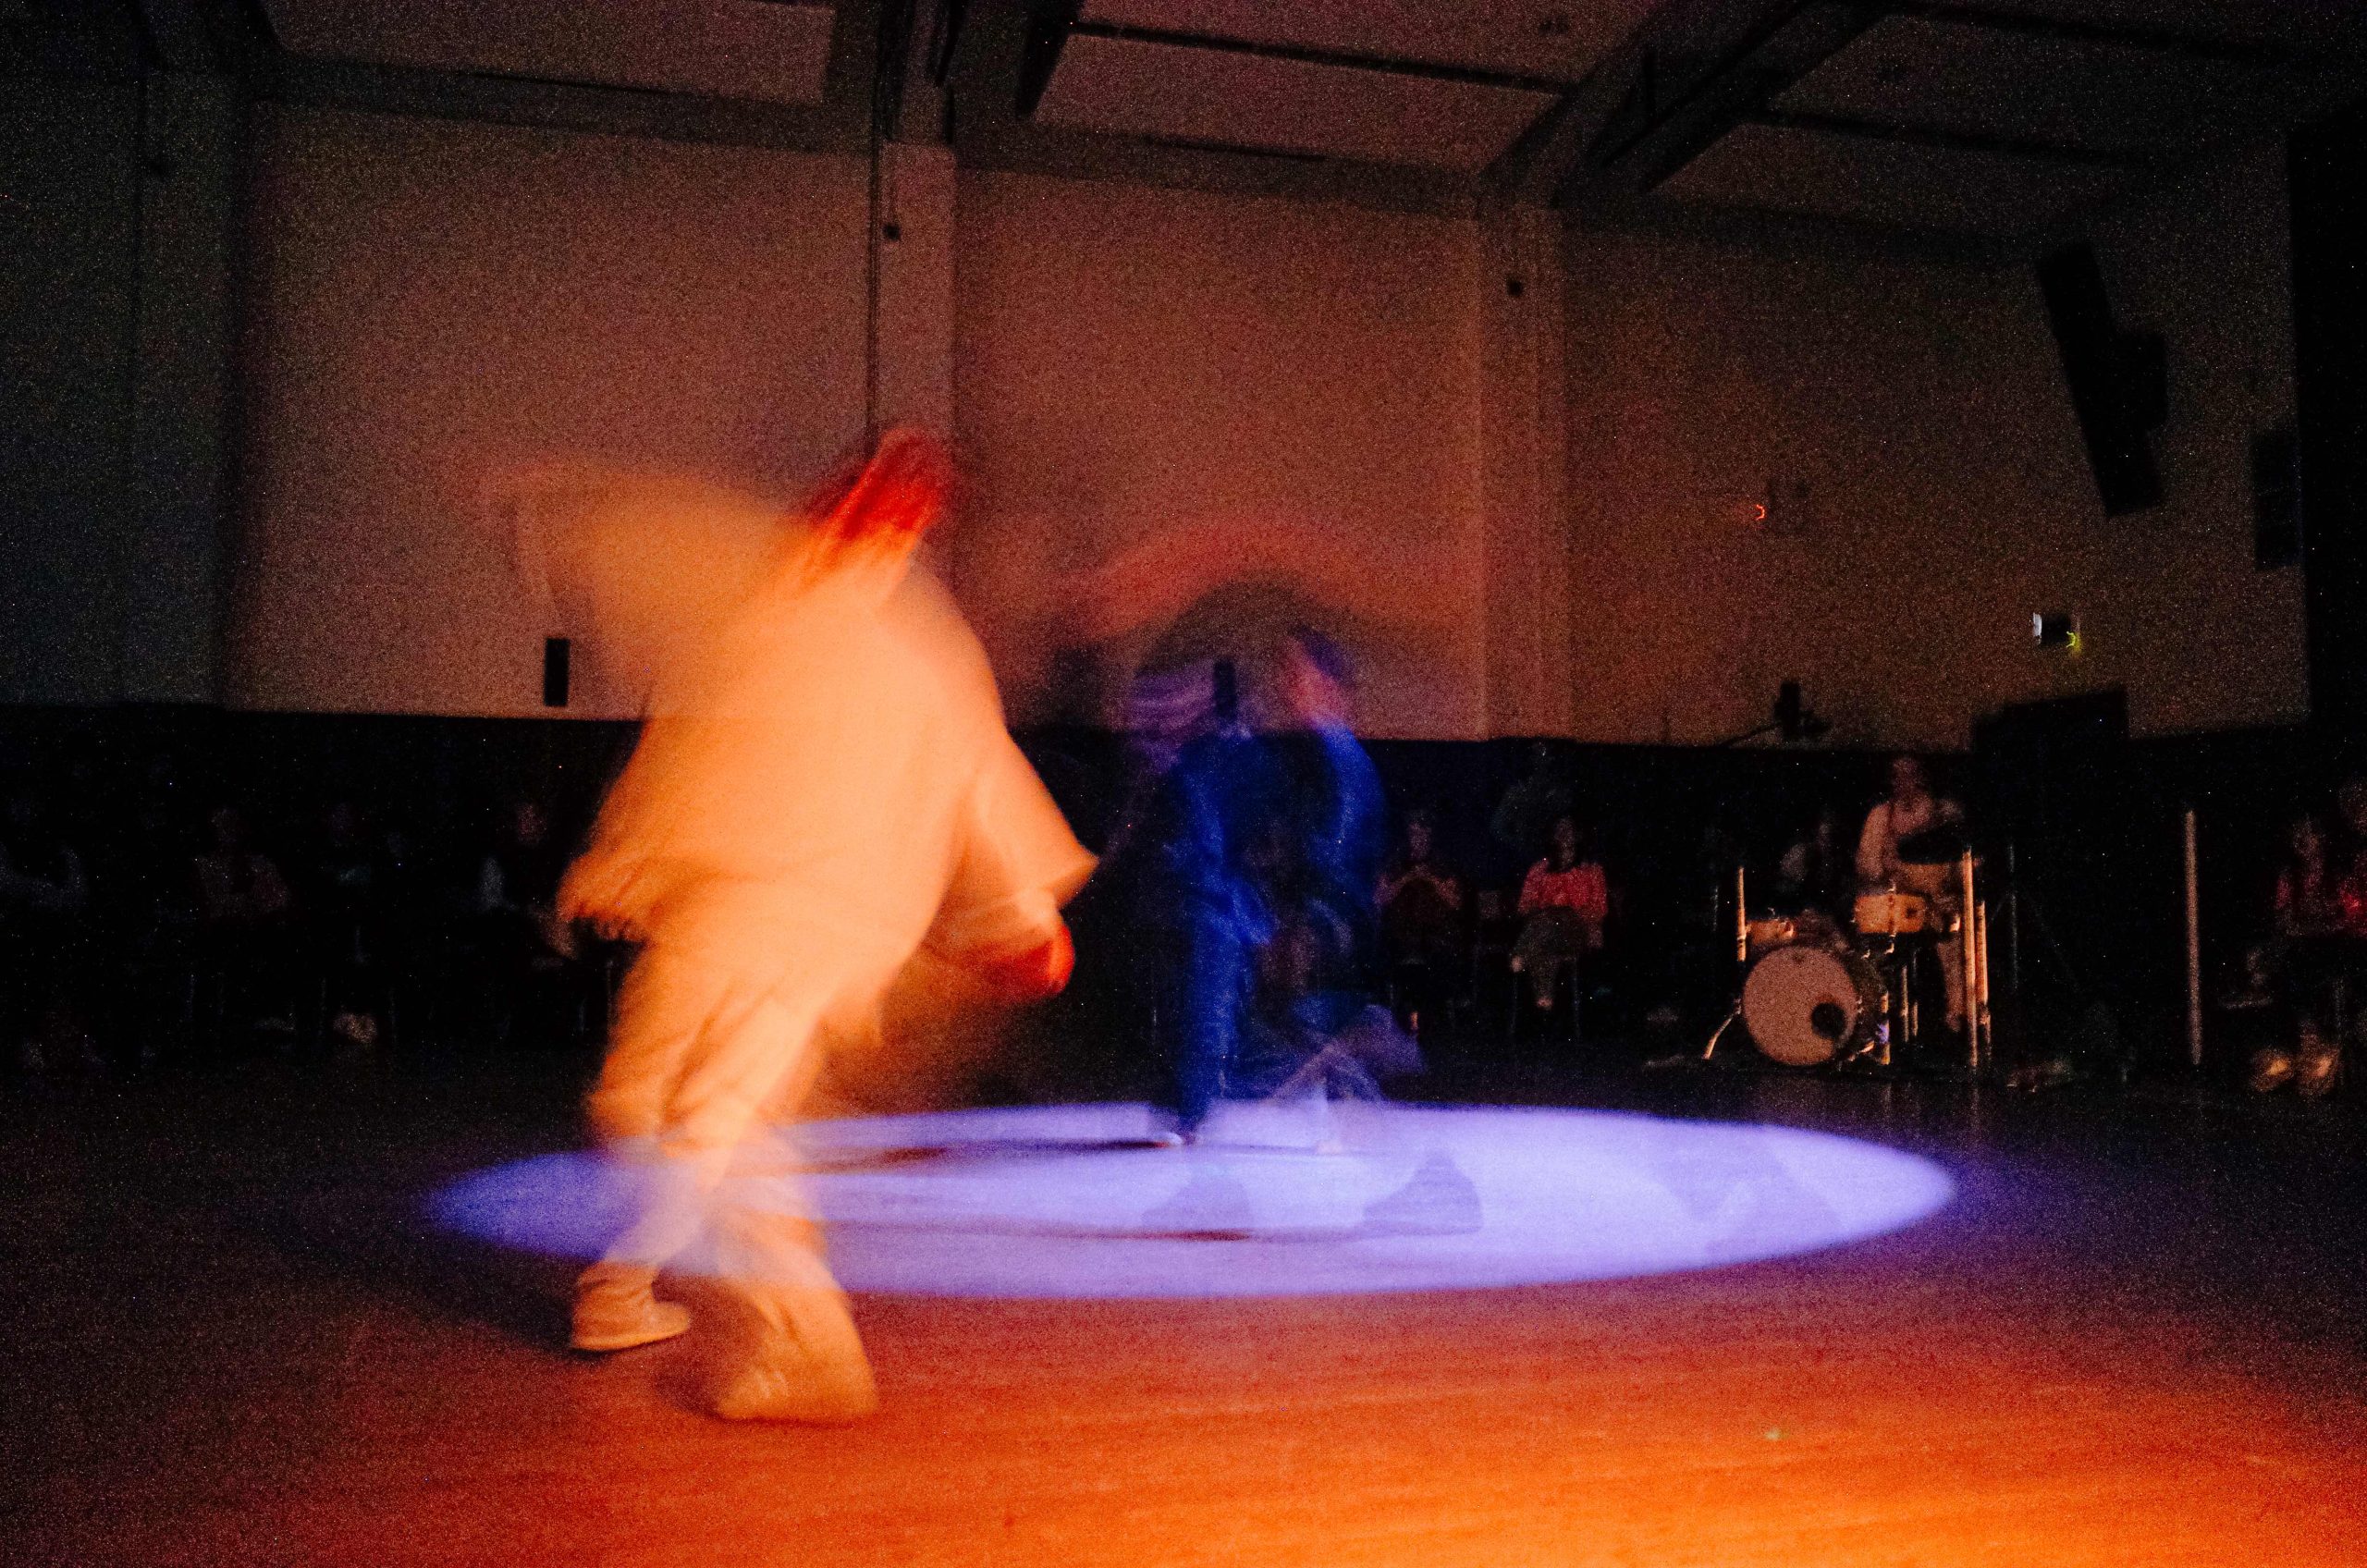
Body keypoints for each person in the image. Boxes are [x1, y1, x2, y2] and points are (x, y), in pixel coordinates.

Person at [558, 432, 1094, 1422]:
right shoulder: (766, 601)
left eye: (901, 498)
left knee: (710, 1121)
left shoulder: (918, 648)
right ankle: (621, 1290)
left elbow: (978, 776)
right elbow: (686, 731)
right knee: (645, 1106)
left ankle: (802, 1345)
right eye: (870, 484)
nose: (871, 503)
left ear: (910, 526)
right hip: (731, 908)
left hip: (806, 922)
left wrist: (1023, 917)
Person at [1856, 755, 1969, 1035]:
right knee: (1875, 949)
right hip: (1895, 905)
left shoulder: (1945, 813)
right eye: (1897, 776)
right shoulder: (1881, 816)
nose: (1903, 782)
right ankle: (1878, 1025)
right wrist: (1888, 873)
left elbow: (1965, 863)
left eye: (1910, 774)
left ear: (1922, 777)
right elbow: (1867, 867)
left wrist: (1954, 885)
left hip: (1937, 902)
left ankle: (1958, 1018)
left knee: (1955, 931)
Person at [1510, 814, 1608, 1016]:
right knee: (1546, 935)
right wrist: (1547, 912)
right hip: (1544, 932)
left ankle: (1521, 953)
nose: (1564, 834)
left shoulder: (1591, 870)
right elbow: (1525, 906)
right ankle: (1544, 997)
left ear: (1578, 835)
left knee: (1556, 917)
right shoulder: (1540, 869)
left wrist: (1564, 912)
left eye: (1569, 829)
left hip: (1576, 932)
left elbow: (1598, 909)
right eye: (1559, 830)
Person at [1379, 812, 1464, 1036]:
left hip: (1434, 935)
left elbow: (1456, 902)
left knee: (1433, 957)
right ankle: (1406, 1019)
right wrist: (1406, 879)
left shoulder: (1441, 864)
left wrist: (1431, 880)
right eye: (1414, 834)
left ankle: (1428, 1021)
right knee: (1399, 956)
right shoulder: (1397, 862)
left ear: (1430, 835)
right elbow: (1380, 898)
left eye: (1423, 834)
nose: (1419, 840)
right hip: (1402, 935)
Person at [1490, 741, 1573, 870]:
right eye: (1538, 755)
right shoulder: (1516, 794)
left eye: (1546, 755)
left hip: (1553, 860)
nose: (1544, 760)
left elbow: (1569, 826)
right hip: (1521, 860)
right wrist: (1519, 846)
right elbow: (1497, 828)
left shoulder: (1559, 794)